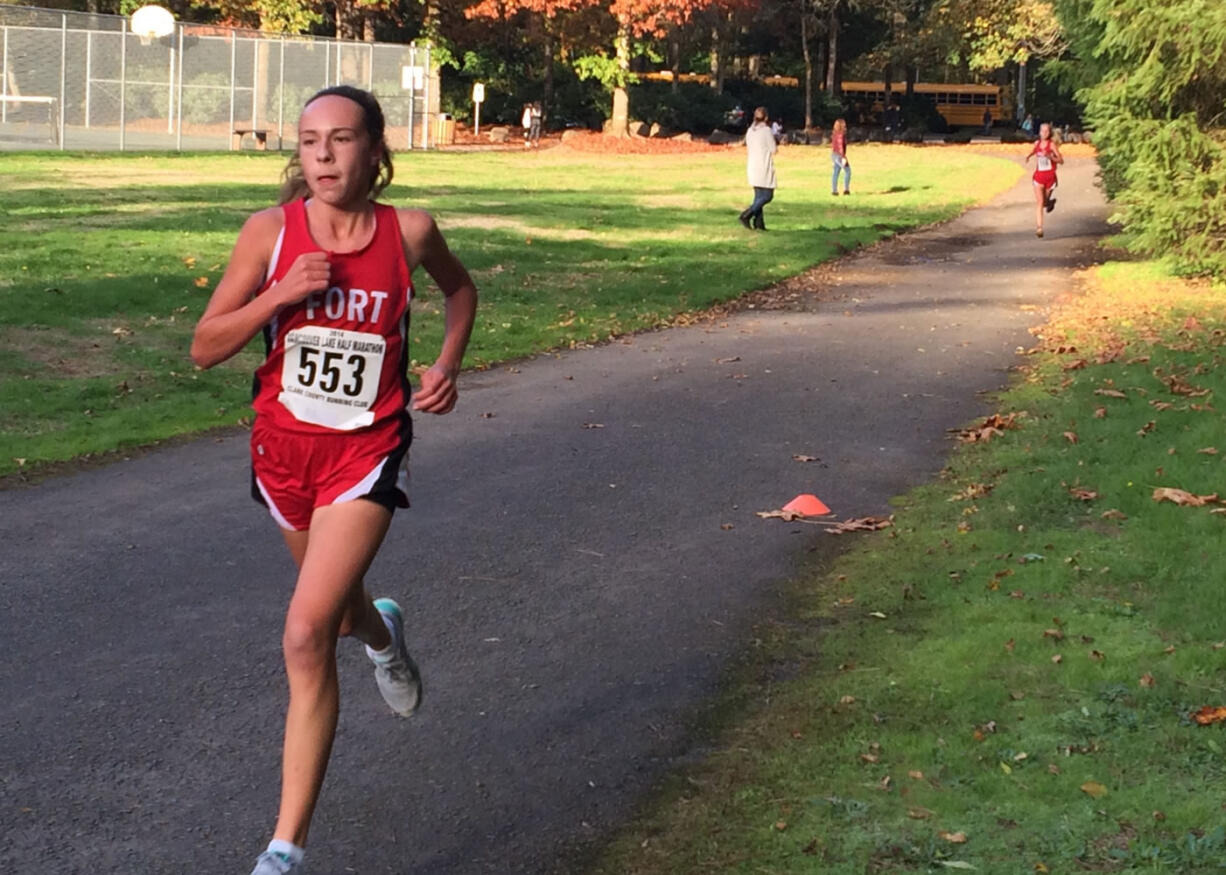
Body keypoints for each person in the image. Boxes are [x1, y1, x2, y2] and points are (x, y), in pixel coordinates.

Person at [190, 84, 478, 875]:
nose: (322, 154)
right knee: (342, 616)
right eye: (310, 140)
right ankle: (384, 634)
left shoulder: (408, 232)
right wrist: (280, 294)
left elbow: (460, 290)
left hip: (366, 449)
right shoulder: (268, 234)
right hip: (283, 453)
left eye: (342, 139)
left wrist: (446, 365)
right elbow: (204, 347)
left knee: (304, 632)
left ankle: (284, 850)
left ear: (376, 151)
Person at [738, 106, 777, 231]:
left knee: (758, 195)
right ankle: (747, 214)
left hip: (752, 165)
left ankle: (759, 223)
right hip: (763, 165)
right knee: (767, 195)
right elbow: (773, 149)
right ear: (766, 118)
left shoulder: (750, 130)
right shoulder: (766, 131)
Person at [1025, 121, 1064, 238]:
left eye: (1046, 131)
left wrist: (1051, 157)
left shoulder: (1052, 145)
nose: (1044, 133)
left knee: (1044, 202)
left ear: (1049, 133)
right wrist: (1028, 156)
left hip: (1050, 178)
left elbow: (1061, 161)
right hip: (1038, 177)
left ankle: (1050, 202)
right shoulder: (1037, 143)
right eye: (1042, 131)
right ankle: (1039, 228)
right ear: (1039, 132)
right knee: (1040, 203)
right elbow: (1033, 151)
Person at [831, 118, 851, 196]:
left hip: (834, 154)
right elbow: (840, 146)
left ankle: (834, 190)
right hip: (839, 155)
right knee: (848, 171)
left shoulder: (834, 134)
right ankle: (846, 189)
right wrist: (843, 157)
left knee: (836, 172)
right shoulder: (841, 135)